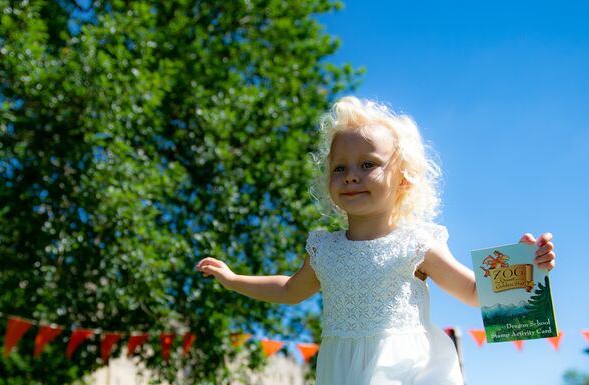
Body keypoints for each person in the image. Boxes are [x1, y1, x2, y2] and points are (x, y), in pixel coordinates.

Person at [195, 96, 556, 385]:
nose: (352, 176)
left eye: (368, 164)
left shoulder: (417, 243)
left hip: (410, 368)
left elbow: (474, 291)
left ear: (403, 180)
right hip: (342, 371)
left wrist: (527, 265)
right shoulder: (325, 249)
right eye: (340, 167)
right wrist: (233, 279)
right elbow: (290, 290)